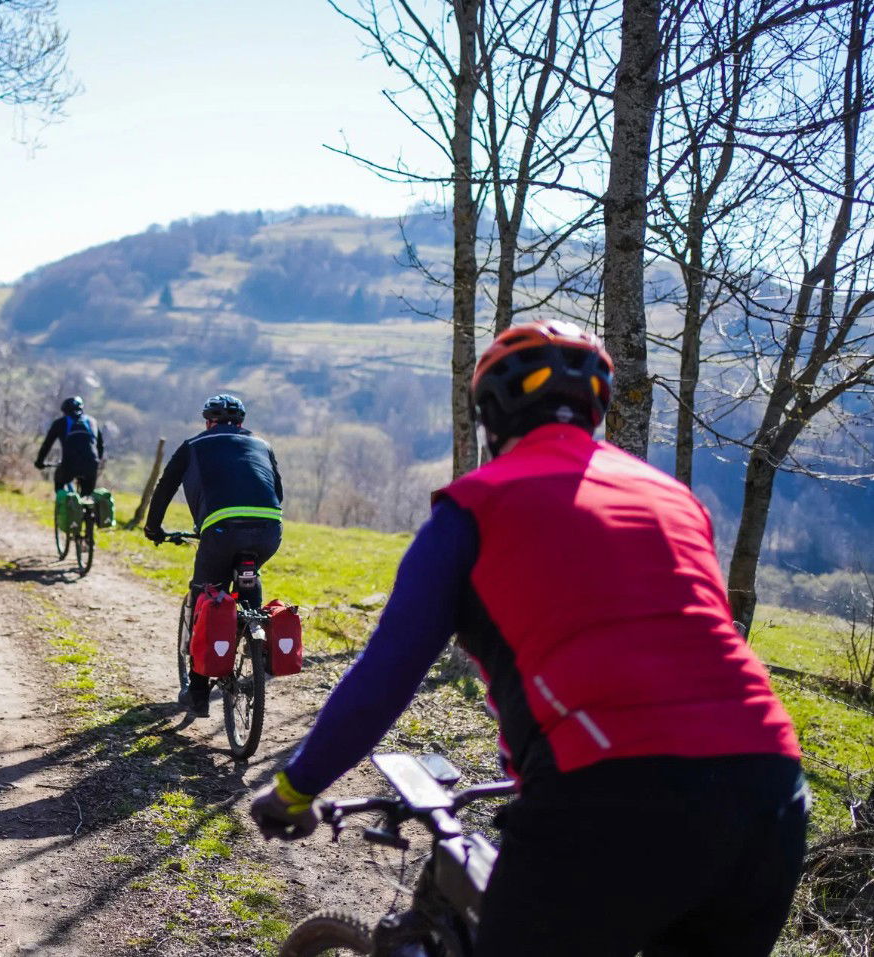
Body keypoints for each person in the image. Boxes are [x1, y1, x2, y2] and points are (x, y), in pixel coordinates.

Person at [250, 320, 806, 957]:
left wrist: (295, 789)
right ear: (596, 411)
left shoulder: (475, 506)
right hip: (769, 789)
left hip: (607, 797)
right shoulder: (677, 501)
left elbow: (384, 677)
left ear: (490, 415)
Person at [144, 394, 284, 717]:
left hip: (221, 532)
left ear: (208, 422)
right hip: (269, 530)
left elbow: (165, 486)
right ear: (242, 424)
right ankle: (255, 641)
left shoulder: (193, 446)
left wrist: (153, 528)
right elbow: (277, 492)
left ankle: (197, 692)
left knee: (205, 593)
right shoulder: (263, 445)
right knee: (251, 580)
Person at [34, 396, 105, 494]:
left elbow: (47, 445)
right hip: (91, 464)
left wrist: (39, 462)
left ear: (64, 411)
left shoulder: (60, 423)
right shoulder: (92, 422)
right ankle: (88, 507)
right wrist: (97, 462)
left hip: (69, 464)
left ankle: (62, 502)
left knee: (59, 482)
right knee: (88, 496)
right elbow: (100, 446)